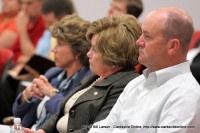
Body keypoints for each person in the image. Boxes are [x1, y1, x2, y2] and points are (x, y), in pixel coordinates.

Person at [23, 14, 142, 133]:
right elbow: (63, 112)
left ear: (113, 54)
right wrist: (43, 131)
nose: (88, 54)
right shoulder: (95, 77)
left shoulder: (126, 84)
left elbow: (99, 129)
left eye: (94, 49)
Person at [89, 7, 200, 133]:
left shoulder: (185, 96)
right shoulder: (137, 83)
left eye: (147, 36)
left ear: (172, 46)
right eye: (141, 34)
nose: (138, 41)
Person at [12, 14, 91, 129]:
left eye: (60, 44)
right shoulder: (54, 73)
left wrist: (51, 93)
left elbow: (72, 117)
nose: (53, 50)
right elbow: (17, 113)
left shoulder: (88, 80)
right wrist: (27, 95)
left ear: (78, 50)